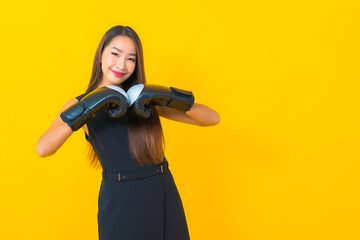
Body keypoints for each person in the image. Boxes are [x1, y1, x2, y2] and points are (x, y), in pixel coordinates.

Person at [36, 25, 220, 240]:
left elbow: (212, 119)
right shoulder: (81, 104)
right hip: (121, 199)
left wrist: (168, 96)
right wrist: (86, 109)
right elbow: (43, 148)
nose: (121, 65)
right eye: (115, 54)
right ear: (101, 55)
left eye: (131, 59)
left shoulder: (143, 99)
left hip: (162, 191)